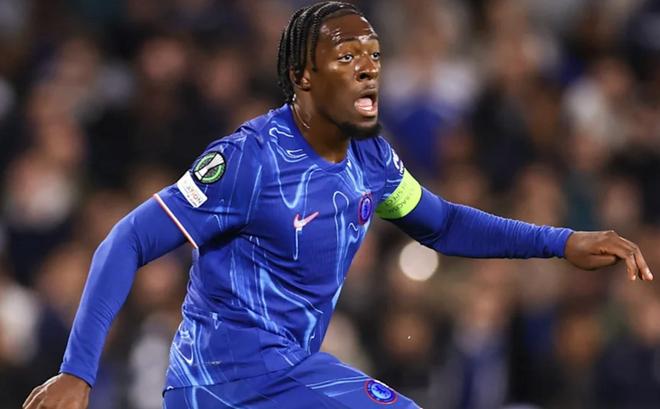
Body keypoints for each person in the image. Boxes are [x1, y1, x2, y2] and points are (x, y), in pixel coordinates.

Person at [23, 2, 653, 408]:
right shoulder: (248, 160)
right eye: (347, 57)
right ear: (303, 75)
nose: (368, 68)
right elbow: (128, 240)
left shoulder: (371, 158)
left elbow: (441, 223)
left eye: (374, 55)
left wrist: (562, 242)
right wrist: (78, 371)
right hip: (223, 382)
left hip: (286, 377)